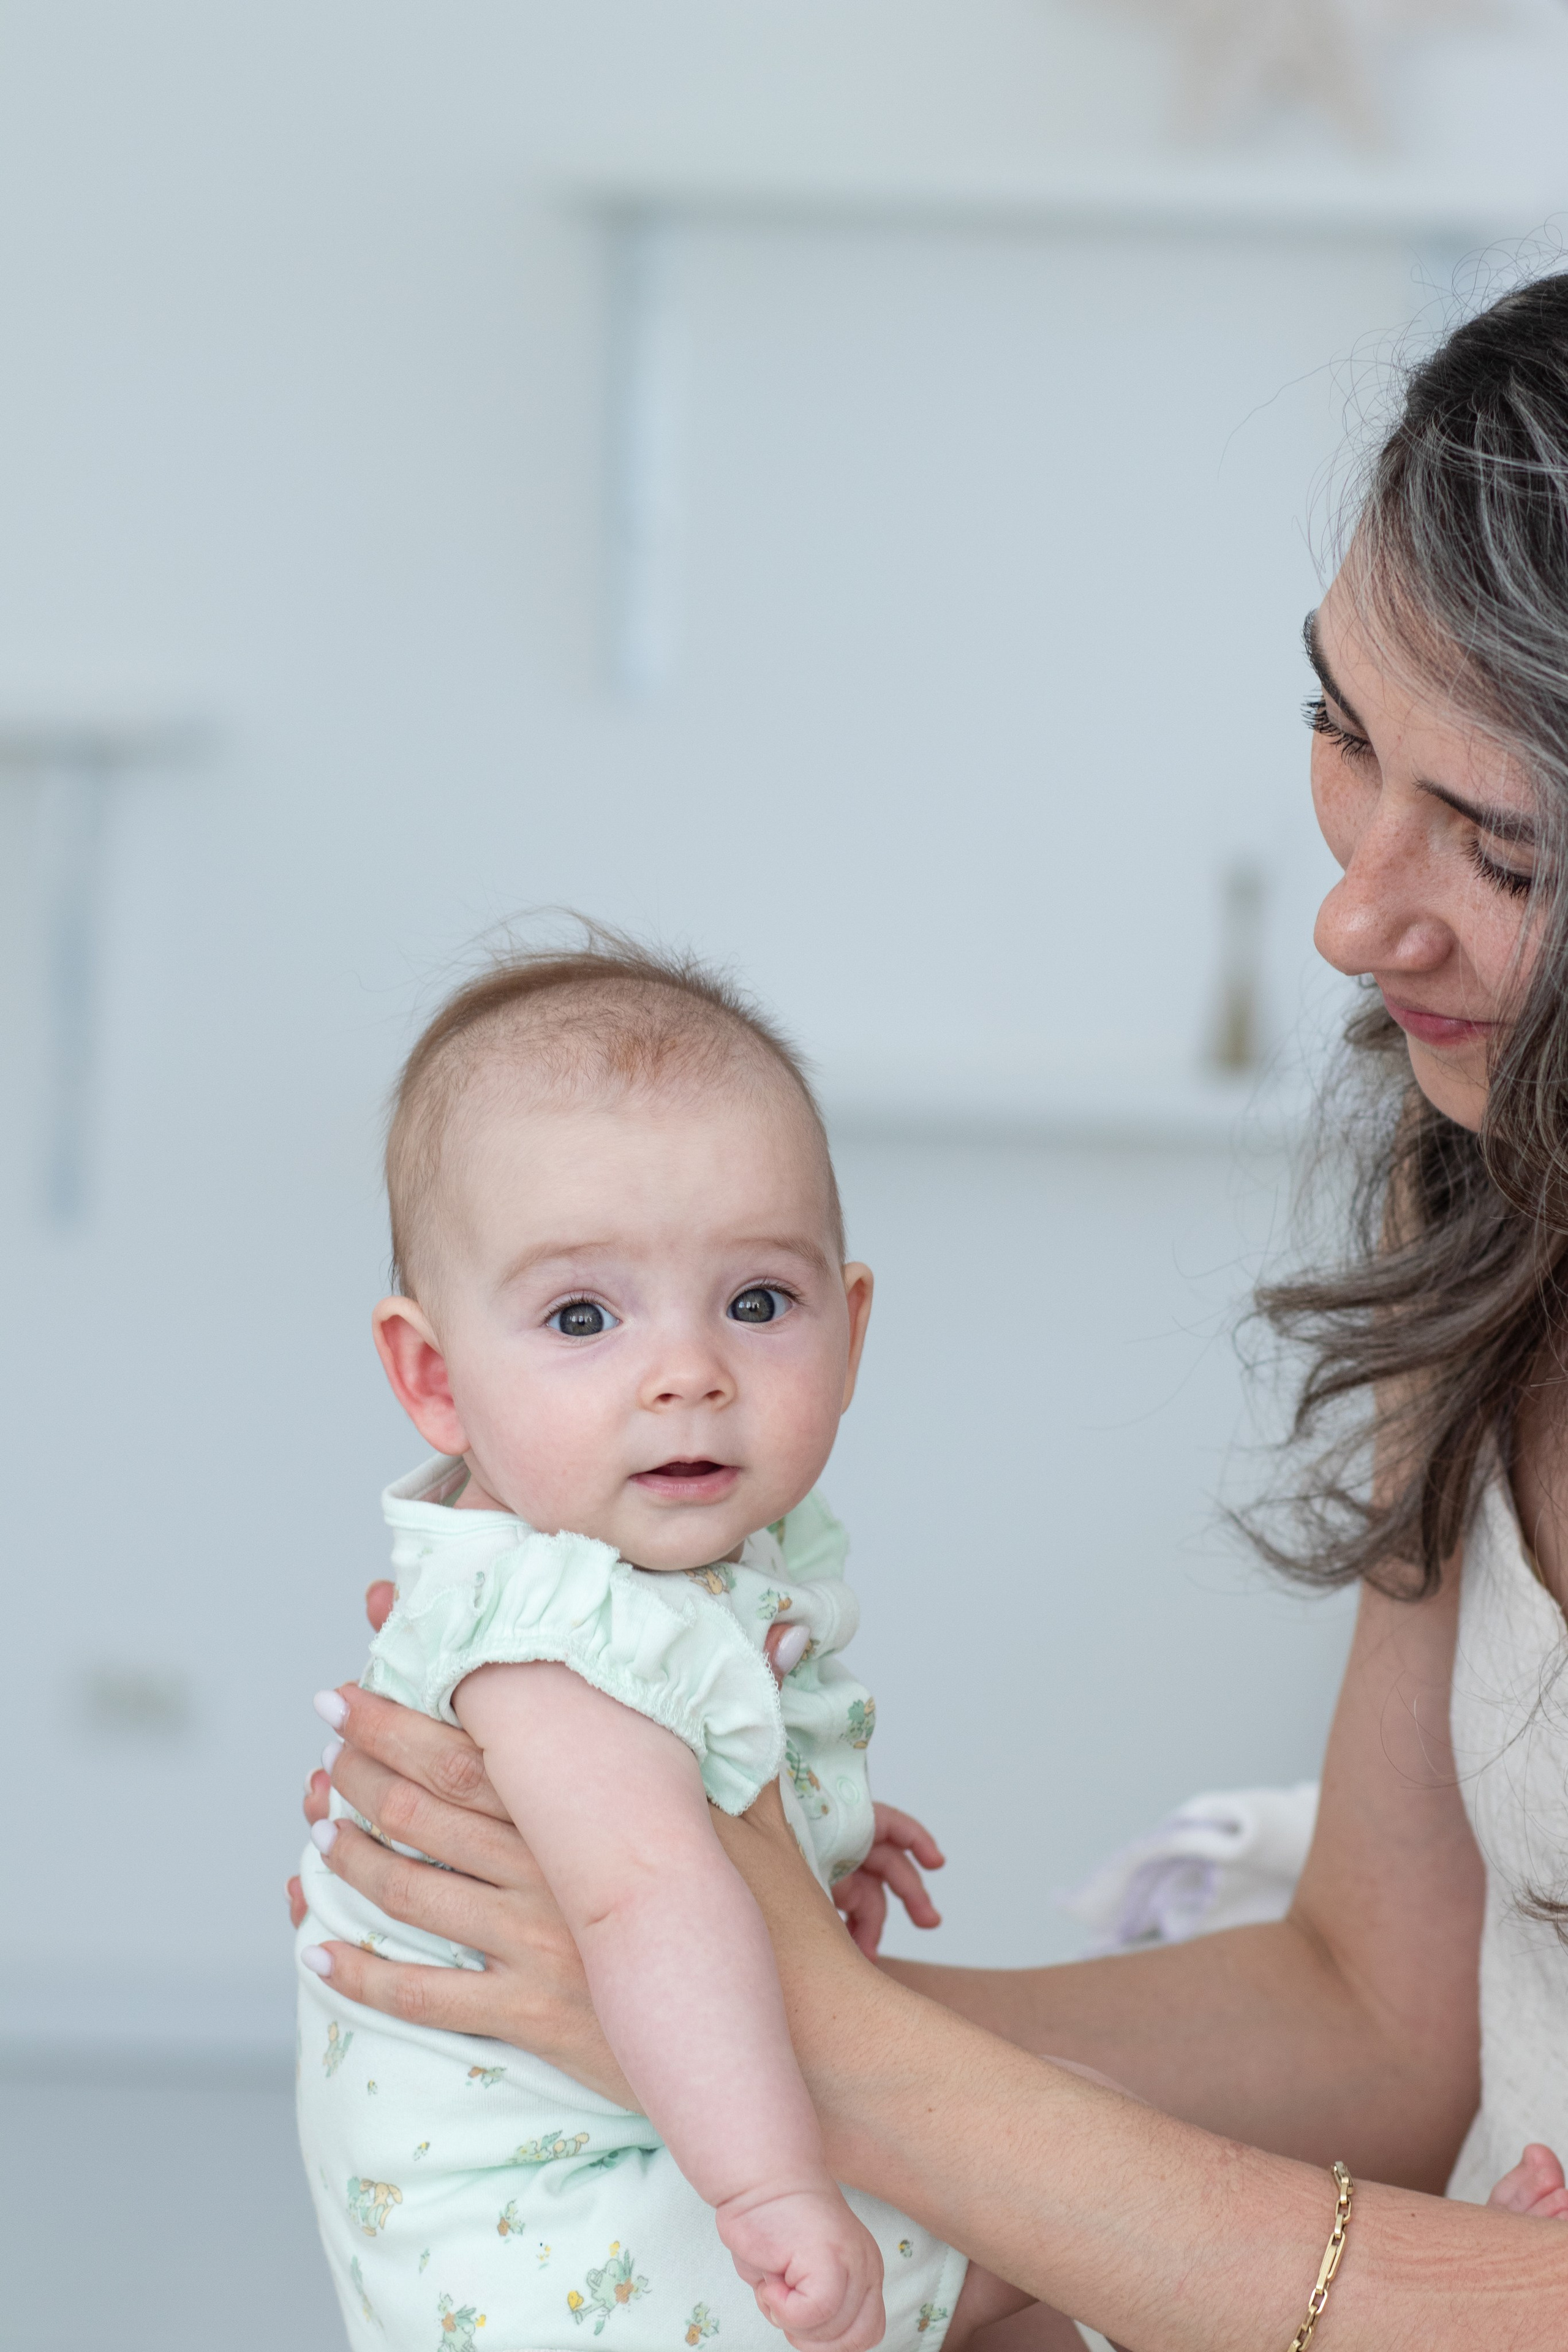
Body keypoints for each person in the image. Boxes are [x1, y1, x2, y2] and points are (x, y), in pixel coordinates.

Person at [288, 273, 1568, 2345]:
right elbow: (1382, 2020)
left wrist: (790, 2033)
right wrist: (650, 1997)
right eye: (1342, 730)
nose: (1352, 915)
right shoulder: (1502, 1219)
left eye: (1500, 850)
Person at [294, 942, 1031, 2352]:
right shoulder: (547, 1634)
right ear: (434, 1377)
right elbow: (647, 1904)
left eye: (756, 1303)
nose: (688, 1371)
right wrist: (771, 2194)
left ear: (848, 1327)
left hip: (573, 2191)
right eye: (582, 1316)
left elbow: (676, 1824)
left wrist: (810, 1824)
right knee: (1057, 2222)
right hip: (571, 2241)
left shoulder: (632, 1566)